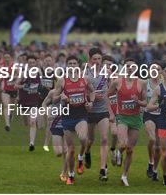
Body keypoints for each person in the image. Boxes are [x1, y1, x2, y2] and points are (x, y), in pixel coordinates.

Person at [54, 55, 95, 185]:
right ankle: (71, 175)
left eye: (74, 63)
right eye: (70, 63)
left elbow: (92, 92)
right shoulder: (62, 81)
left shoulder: (85, 79)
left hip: (81, 114)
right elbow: (54, 98)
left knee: (83, 138)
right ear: (67, 65)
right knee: (70, 149)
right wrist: (61, 96)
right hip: (67, 117)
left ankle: (81, 157)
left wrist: (91, 103)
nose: (72, 66)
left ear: (78, 65)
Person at [107, 58, 147, 186]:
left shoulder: (142, 83)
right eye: (128, 66)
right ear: (124, 68)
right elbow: (107, 96)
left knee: (130, 150)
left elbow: (145, 102)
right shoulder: (117, 82)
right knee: (123, 144)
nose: (130, 68)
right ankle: (118, 152)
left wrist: (138, 102)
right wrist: (111, 113)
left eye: (133, 66)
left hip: (135, 118)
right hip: (122, 117)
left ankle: (124, 175)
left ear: (136, 69)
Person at [84, 47, 113, 181]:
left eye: (99, 59)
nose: (97, 61)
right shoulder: (85, 74)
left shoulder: (107, 73)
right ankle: (87, 152)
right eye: (94, 59)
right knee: (90, 140)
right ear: (90, 59)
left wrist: (111, 111)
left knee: (104, 139)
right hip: (90, 111)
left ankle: (103, 169)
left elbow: (111, 90)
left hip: (103, 111)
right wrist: (91, 97)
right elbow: (82, 91)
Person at [16, 55, 43, 151]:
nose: (31, 64)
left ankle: (31, 143)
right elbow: (16, 85)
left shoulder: (39, 73)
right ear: (27, 64)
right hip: (24, 101)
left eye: (33, 62)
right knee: (26, 122)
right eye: (29, 63)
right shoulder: (24, 74)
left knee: (32, 122)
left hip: (34, 101)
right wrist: (23, 86)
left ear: (35, 63)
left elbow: (41, 85)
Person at [41, 88, 68, 182]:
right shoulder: (53, 92)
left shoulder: (72, 90)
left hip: (68, 123)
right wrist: (47, 112)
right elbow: (44, 104)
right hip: (55, 123)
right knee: (59, 153)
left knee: (66, 150)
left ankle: (64, 173)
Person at [143, 62, 162, 181]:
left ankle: (155, 170)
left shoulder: (165, 84)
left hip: (162, 116)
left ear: (161, 71)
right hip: (149, 114)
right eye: (153, 69)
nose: (155, 71)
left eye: (158, 69)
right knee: (152, 139)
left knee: (159, 147)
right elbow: (141, 99)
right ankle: (150, 161)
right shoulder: (145, 83)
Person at [103, 55, 121, 167]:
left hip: (119, 110)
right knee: (113, 133)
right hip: (105, 111)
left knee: (119, 134)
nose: (108, 67)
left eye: (110, 65)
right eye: (106, 64)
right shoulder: (98, 79)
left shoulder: (116, 78)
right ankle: (113, 151)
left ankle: (116, 152)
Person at [40, 54, 56, 152]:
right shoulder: (40, 72)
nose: (48, 62)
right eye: (46, 60)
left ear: (53, 61)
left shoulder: (56, 73)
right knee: (43, 123)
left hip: (51, 100)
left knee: (49, 123)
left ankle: (46, 144)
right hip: (40, 99)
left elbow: (58, 87)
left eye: (49, 60)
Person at [0, 52, 17, 132]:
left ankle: (11, 115)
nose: (6, 59)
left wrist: (12, 77)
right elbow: (0, 77)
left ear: (10, 58)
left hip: (13, 89)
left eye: (8, 57)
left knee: (11, 107)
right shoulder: (2, 67)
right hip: (5, 89)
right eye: (5, 57)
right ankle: (7, 125)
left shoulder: (14, 66)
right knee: (5, 105)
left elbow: (20, 76)